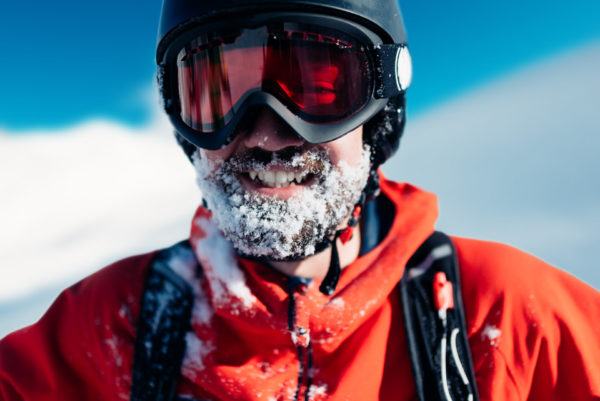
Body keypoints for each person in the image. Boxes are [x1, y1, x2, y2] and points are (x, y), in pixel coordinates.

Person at [1, 0, 599, 400]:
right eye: (219, 93)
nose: (264, 132)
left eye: (319, 86)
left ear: (379, 113)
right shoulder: (112, 328)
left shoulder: (507, 315)